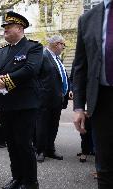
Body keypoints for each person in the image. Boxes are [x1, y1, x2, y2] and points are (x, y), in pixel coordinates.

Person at [0, 11, 43, 189]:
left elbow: (30, 70)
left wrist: (3, 81)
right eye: (5, 27)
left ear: (20, 28)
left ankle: (31, 182)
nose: (5, 30)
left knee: (24, 144)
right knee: (11, 143)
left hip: (24, 105)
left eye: (8, 27)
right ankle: (17, 177)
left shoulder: (33, 47)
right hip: (5, 105)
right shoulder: (2, 51)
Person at [73, 1, 113, 188]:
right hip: (102, 101)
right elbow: (80, 66)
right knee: (105, 166)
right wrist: (79, 107)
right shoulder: (87, 19)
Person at [35, 35, 69, 163]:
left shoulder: (57, 59)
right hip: (44, 99)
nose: (63, 48)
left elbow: (61, 77)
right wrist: (40, 93)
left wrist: (68, 90)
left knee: (53, 125)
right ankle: (40, 151)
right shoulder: (43, 56)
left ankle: (50, 149)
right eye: (63, 45)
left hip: (57, 99)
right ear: (56, 44)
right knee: (42, 126)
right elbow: (35, 77)